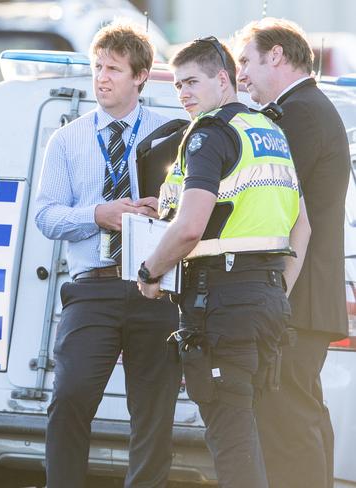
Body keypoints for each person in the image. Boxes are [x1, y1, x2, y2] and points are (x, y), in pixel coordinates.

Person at [138, 37, 311, 488]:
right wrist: (276, 291)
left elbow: (191, 227)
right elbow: (303, 228)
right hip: (265, 299)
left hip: (224, 303)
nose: (184, 94)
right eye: (177, 86)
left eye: (192, 81)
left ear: (222, 78)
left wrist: (149, 271)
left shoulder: (210, 133)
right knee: (248, 430)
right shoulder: (269, 130)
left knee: (231, 440)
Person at [35, 20, 181, 488]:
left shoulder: (173, 134)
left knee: (153, 411)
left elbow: (195, 211)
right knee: (70, 398)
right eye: (97, 67)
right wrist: (99, 214)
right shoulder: (66, 139)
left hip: (153, 288)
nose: (101, 77)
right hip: (91, 289)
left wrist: (165, 210)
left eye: (114, 69)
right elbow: (45, 216)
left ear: (140, 76)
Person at [236, 18, 350, 488]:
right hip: (306, 297)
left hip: (295, 296)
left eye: (246, 61)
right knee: (302, 415)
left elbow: (271, 201)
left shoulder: (298, 114)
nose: (240, 74)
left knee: (286, 424)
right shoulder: (307, 108)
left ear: (277, 55)